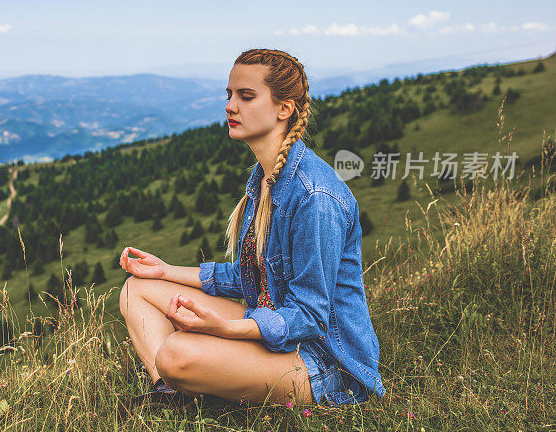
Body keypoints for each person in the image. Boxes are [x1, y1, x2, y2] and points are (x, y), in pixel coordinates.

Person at [118, 48, 385, 407]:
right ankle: (170, 393)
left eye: (246, 96)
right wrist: (165, 270)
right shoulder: (264, 179)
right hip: (271, 323)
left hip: (324, 362)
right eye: (229, 95)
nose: (231, 106)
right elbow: (250, 276)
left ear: (284, 108)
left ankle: (184, 378)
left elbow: (309, 317)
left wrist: (224, 329)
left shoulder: (315, 196)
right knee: (139, 287)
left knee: (176, 353)